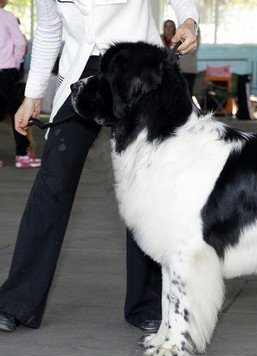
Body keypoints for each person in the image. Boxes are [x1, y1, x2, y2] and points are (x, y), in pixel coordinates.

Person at [0, 0, 198, 333]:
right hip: (80, 71)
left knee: (146, 188)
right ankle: (16, 301)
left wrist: (189, 20)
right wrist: (32, 95)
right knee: (52, 183)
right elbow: (49, 28)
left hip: (137, 75)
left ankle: (146, 304)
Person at [0, 0, 41, 169]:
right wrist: (16, 63)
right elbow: (21, 42)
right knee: (19, 111)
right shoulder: (7, 17)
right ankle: (22, 155)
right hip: (5, 71)